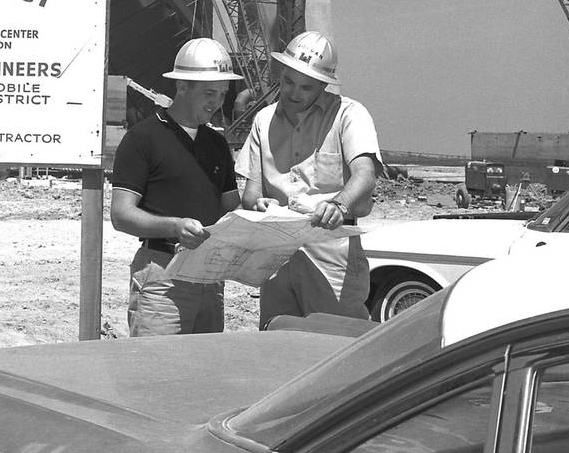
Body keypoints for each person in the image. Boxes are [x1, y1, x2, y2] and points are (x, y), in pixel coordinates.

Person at [235, 31, 382, 325]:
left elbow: (365, 174)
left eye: (305, 87)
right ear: (282, 72)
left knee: (333, 341)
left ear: (323, 86)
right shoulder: (264, 120)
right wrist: (258, 203)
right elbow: (250, 194)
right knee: (278, 340)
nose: (293, 93)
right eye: (288, 81)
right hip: (276, 250)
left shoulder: (349, 115)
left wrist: (338, 205)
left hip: (332, 250)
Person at [110, 38, 243, 336]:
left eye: (222, 93)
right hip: (161, 274)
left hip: (209, 276)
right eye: (209, 92)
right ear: (182, 87)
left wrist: (258, 211)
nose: (217, 102)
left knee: (203, 374)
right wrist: (176, 226)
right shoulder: (143, 139)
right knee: (157, 374)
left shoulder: (217, 144)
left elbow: (231, 209)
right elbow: (121, 215)